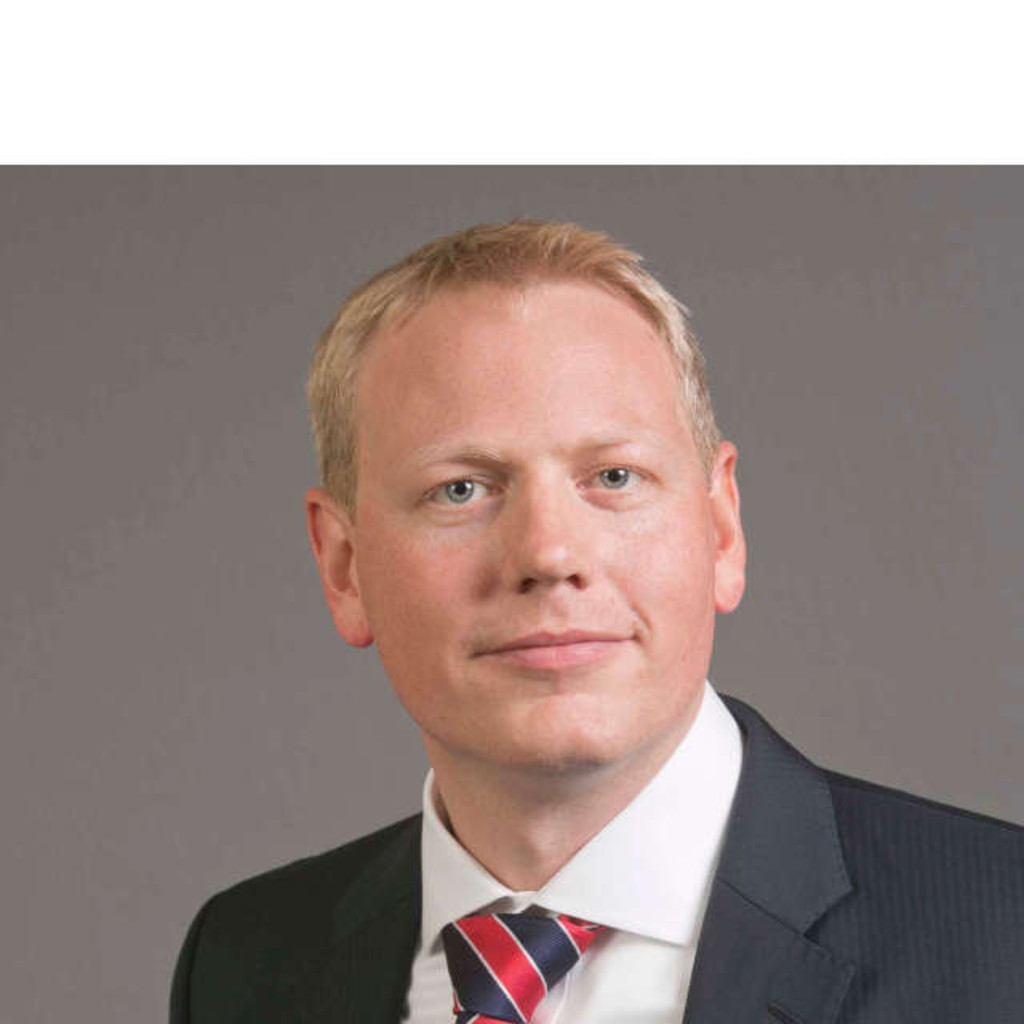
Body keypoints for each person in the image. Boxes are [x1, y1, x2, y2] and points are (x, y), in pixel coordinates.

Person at [171, 220, 1024, 1023]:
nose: (548, 554)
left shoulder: (1004, 937)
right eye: (460, 489)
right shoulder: (245, 965)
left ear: (722, 528)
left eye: (614, 477)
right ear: (344, 566)